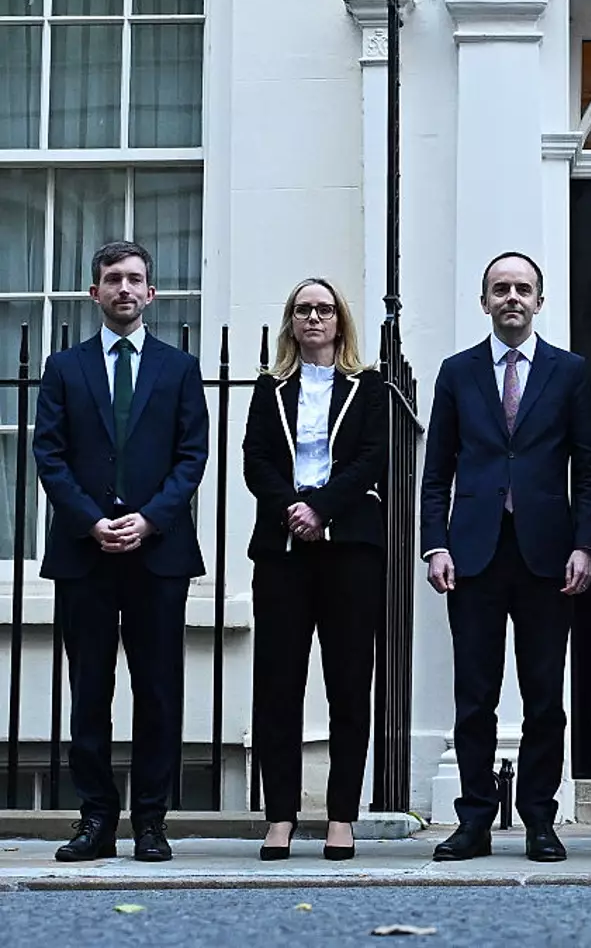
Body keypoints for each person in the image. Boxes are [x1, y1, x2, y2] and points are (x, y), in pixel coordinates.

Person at [421, 251, 591, 863]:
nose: (512, 298)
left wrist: (585, 544)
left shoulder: (569, 372)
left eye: (523, 289)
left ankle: (538, 819)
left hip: (548, 555)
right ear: (484, 301)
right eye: (501, 289)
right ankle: (472, 820)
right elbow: (435, 470)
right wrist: (435, 542)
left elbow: (589, 470)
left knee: (545, 696)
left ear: (541, 301)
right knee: (475, 696)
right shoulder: (456, 372)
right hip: (472, 553)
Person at [34, 241, 208, 862]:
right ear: (95, 293)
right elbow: (48, 456)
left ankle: (152, 821)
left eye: (136, 279)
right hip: (86, 555)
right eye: (113, 279)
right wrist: (90, 521)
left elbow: (193, 456)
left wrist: (150, 518)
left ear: (151, 294)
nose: (125, 289)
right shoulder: (63, 367)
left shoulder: (179, 368)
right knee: (89, 689)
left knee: (159, 691)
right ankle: (96, 819)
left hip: (157, 554)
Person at [242, 278, 387, 861]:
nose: (313, 318)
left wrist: (323, 507)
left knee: (349, 684)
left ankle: (342, 817)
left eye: (324, 309)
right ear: (290, 321)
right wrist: (290, 509)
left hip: (349, 546)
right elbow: (255, 459)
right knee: (278, 684)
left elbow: (371, 457)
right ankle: (280, 815)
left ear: (340, 321)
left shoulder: (369, 387)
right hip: (281, 551)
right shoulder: (269, 387)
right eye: (303, 310)